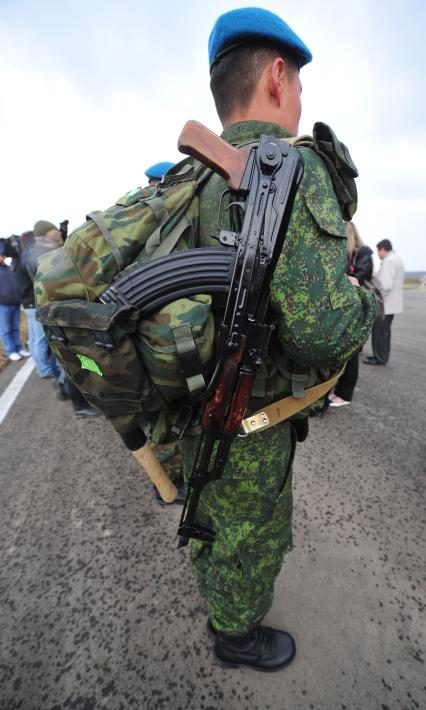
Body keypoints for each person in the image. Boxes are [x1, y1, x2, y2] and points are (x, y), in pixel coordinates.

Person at [177, 7, 376, 671]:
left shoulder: (184, 180)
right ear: (278, 77)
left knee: (211, 514)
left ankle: (222, 601)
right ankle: (236, 636)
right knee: (248, 529)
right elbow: (321, 331)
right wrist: (367, 304)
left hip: (190, 396)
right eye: (299, 88)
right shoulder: (292, 168)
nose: (298, 103)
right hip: (251, 415)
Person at [329, 222, 373, 407]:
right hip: (342, 306)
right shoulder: (345, 253)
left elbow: (360, 278)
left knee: (352, 353)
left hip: (355, 308)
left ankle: (344, 395)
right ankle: (336, 391)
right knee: (340, 352)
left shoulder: (362, 253)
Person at [20, 221, 64, 378]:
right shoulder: (33, 256)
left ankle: (41, 367)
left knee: (33, 338)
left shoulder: (25, 256)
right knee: (40, 339)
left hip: (28, 302)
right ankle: (45, 370)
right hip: (34, 301)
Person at [363, 239, 405, 365]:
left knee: (380, 332)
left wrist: (374, 297)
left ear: (382, 249)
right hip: (391, 305)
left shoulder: (389, 261)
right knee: (384, 333)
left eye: (378, 251)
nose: (378, 254)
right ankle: (381, 356)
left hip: (385, 305)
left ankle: (379, 357)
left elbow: (385, 285)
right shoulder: (397, 258)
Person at [0, 238, 30, 361]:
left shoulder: (8, 268)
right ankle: (10, 350)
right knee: (6, 329)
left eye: (2, 255)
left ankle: (18, 348)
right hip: (2, 305)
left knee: (15, 327)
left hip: (15, 303)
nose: (2, 257)